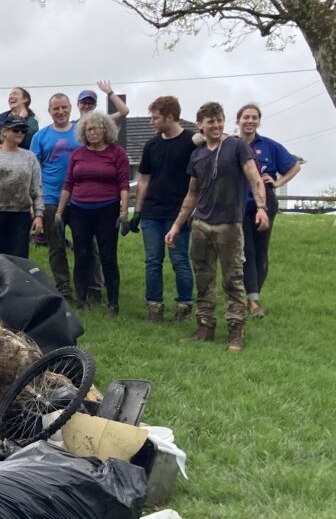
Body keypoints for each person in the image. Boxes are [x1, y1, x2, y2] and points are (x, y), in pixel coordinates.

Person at [167, 102, 269, 352]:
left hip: (230, 226)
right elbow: (191, 194)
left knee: (232, 280)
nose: (216, 125)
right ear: (200, 125)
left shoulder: (237, 146)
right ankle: (205, 326)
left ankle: (236, 330)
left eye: (219, 120)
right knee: (203, 279)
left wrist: (261, 208)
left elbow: (255, 179)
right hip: (201, 224)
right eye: (210, 121)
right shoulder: (198, 154)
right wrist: (177, 226)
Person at [54, 111, 131, 316]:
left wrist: (124, 212)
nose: (93, 132)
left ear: (105, 130)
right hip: (79, 210)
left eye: (96, 128)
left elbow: (124, 184)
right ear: (83, 133)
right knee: (82, 255)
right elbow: (68, 183)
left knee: (108, 257)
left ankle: (113, 303)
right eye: (88, 129)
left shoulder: (117, 153)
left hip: (108, 209)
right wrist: (59, 212)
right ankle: (82, 299)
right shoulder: (78, 154)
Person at [30, 93, 101, 301]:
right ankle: (64, 290)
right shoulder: (40, 137)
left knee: (88, 245)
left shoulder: (82, 133)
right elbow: (34, 171)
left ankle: (93, 288)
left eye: (64, 108)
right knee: (56, 246)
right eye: (55, 108)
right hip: (51, 198)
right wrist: (36, 203)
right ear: (50, 111)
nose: (60, 112)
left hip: (81, 199)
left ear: (71, 108)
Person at [132, 95, 196, 323]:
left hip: (178, 212)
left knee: (179, 259)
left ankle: (184, 305)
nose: (152, 122)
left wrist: (189, 213)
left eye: (155, 118)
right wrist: (137, 212)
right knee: (152, 260)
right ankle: (154, 306)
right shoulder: (152, 145)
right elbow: (144, 179)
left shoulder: (191, 142)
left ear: (170, 117)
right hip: (152, 213)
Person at [235, 103, 300, 317]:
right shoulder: (231, 145)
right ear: (238, 120)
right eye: (246, 117)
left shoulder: (270, 146)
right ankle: (252, 301)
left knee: (261, 251)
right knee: (247, 251)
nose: (250, 121)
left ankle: (253, 295)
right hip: (239, 203)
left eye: (255, 117)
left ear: (259, 121)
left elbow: (295, 166)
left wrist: (279, 182)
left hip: (265, 203)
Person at [0, 115, 43, 257]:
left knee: (17, 259)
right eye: (16, 129)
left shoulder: (30, 157)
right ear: (4, 132)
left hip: (21, 215)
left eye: (23, 130)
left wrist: (39, 215)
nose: (20, 133)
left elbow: (37, 188)